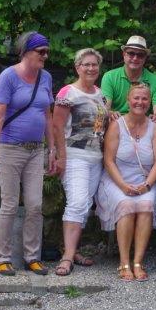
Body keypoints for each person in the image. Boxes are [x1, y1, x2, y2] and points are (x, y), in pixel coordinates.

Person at [0, 31, 57, 276]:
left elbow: (47, 115)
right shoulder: (8, 76)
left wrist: (52, 148)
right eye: (41, 52)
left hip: (36, 149)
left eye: (47, 52)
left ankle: (32, 256)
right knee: (9, 204)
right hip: (10, 148)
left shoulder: (46, 77)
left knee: (35, 205)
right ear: (26, 52)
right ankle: (3, 257)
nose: (45, 56)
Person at [96, 82, 156, 281]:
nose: (140, 102)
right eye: (136, 98)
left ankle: (138, 262)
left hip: (144, 179)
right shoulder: (116, 125)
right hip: (117, 179)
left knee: (146, 205)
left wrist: (148, 185)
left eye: (144, 99)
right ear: (128, 100)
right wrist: (123, 186)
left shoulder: (155, 127)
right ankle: (124, 262)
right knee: (126, 204)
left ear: (149, 102)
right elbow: (108, 161)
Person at [52, 48, 108, 276]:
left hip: (96, 157)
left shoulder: (101, 94)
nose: (91, 68)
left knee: (84, 206)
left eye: (94, 65)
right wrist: (60, 157)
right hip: (74, 156)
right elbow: (57, 126)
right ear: (77, 67)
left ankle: (72, 250)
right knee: (76, 203)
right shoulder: (68, 92)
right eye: (86, 64)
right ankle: (67, 257)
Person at [101, 35, 156, 119]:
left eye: (140, 55)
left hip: (144, 122)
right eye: (131, 53)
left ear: (145, 58)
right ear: (124, 54)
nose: (135, 58)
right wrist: (110, 113)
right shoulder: (109, 77)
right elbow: (105, 107)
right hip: (117, 120)